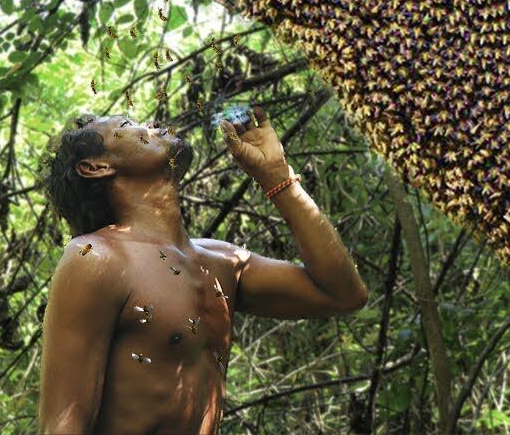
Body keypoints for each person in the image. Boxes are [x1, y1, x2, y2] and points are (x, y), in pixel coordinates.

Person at [37, 105, 368, 434]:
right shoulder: (95, 258)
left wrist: (279, 177)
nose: (151, 124)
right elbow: (63, 426)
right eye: (127, 124)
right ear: (96, 166)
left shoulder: (221, 262)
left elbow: (343, 295)